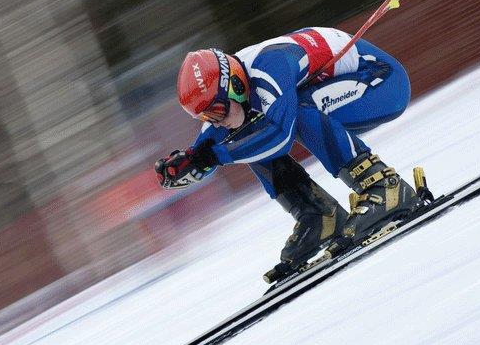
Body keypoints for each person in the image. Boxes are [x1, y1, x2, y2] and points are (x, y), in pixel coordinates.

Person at [155, 26, 420, 266]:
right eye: (204, 117)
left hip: (384, 83)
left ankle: (384, 186)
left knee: (289, 118)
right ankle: (318, 215)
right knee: (245, 135)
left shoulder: (269, 65)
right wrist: (188, 162)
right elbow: (213, 146)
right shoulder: (235, 85)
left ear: (234, 86)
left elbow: (280, 138)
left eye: (214, 113)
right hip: (351, 90)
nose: (215, 122)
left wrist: (213, 157)